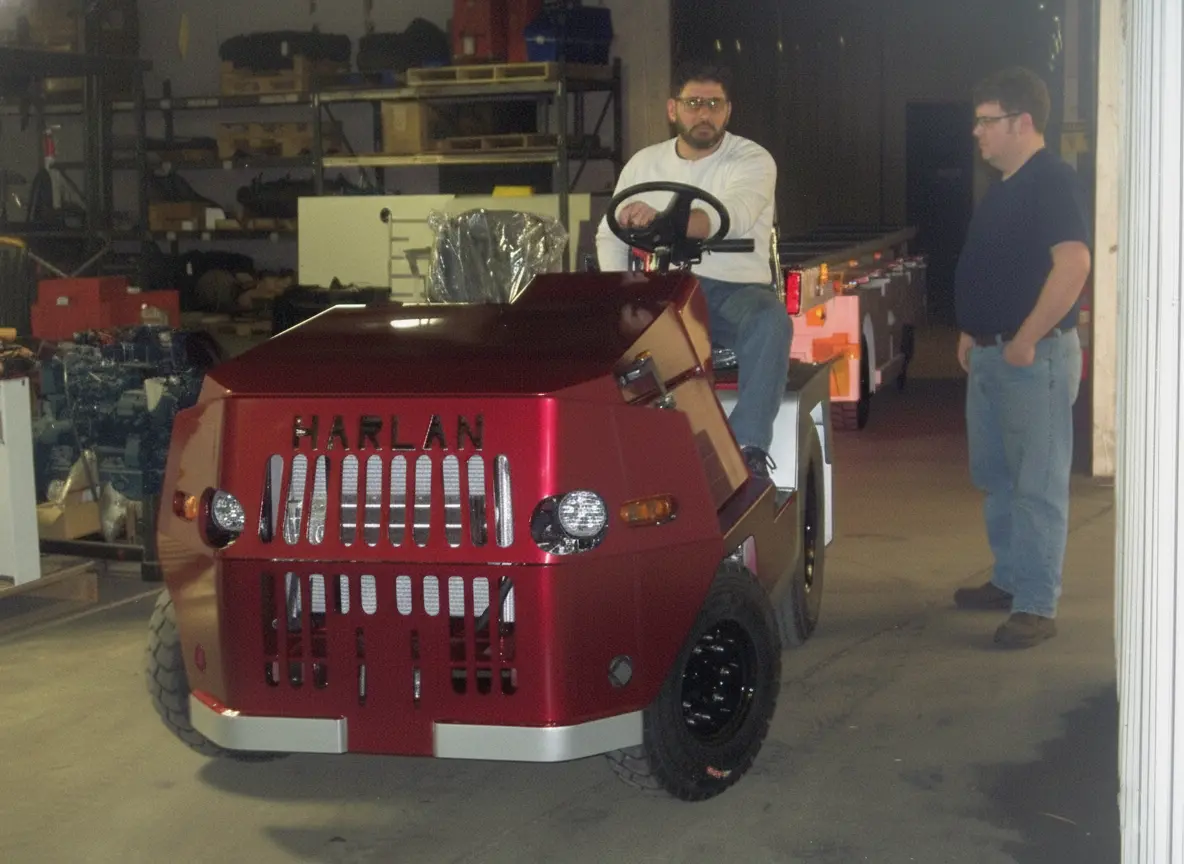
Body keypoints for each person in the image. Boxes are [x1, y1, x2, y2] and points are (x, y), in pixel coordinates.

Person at [950, 67, 1092, 649]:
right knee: (999, 479)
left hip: (1033, 360)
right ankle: (1010, 579)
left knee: (1036, 484)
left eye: (986, 121)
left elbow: (1075, 264)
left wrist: (1027, 337)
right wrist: (971, 329)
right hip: (991, 355)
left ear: (1022, 122)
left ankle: (1036, 603)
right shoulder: (1006, 185)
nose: (977, 133)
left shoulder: (1051, 179)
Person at [595, 61, 790, 480]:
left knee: (771, 320)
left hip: (732, 294)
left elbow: (733, 215)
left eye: (714, 104)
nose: (704, 114)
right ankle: (622, 452)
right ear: (673, 109)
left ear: (728, 111)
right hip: (662, 290)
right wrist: (621, 289)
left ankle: (749, 447)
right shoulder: (643, 164)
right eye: (694, 103)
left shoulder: (752, 159)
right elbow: (609, 234)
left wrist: (663, 223)